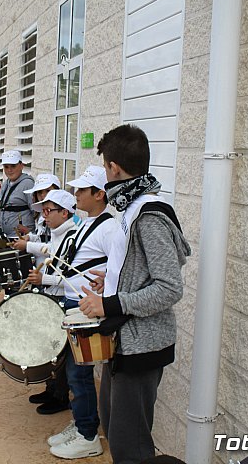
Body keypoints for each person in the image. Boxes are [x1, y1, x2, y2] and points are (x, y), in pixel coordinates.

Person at [78, 125, 191, 464]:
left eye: (105, 168)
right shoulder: (133, 206)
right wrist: (111, 281)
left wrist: (111, 302)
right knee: (114, 426)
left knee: (132, 449)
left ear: (113, 167)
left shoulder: (149, 214)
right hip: (124, 340)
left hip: (142, 347)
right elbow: (140, 271)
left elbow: (170, 287)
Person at [47, 165, 119, 459]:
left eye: (81, 190)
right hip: (73, 306)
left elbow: (118, 270)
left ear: (99, 194)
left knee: (80, 374)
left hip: (85, 309)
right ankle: (81, 423)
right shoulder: (88, 222)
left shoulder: (110, 227)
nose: (75, 194)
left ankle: (88, 435)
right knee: (73, 372)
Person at [25, 190, 78, 416]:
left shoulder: (72, 236)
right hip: (53, 295)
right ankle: (51, 388)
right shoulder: (57, 233)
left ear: (64, 212)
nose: (44, 216)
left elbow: (74, 279)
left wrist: (43, 279)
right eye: (42, 211)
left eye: (48, 211)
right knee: (50, 346)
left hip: (63, 299)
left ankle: (60, 395)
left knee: (61, 350)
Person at [0, 150, 35, 239]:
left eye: (13, 166)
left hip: (20, 237)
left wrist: (31, 233)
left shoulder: (27, 184)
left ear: (21, 166)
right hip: (7, 235)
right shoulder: (6, 183)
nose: (9, 170)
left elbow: (36, 211)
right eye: (6, 167)